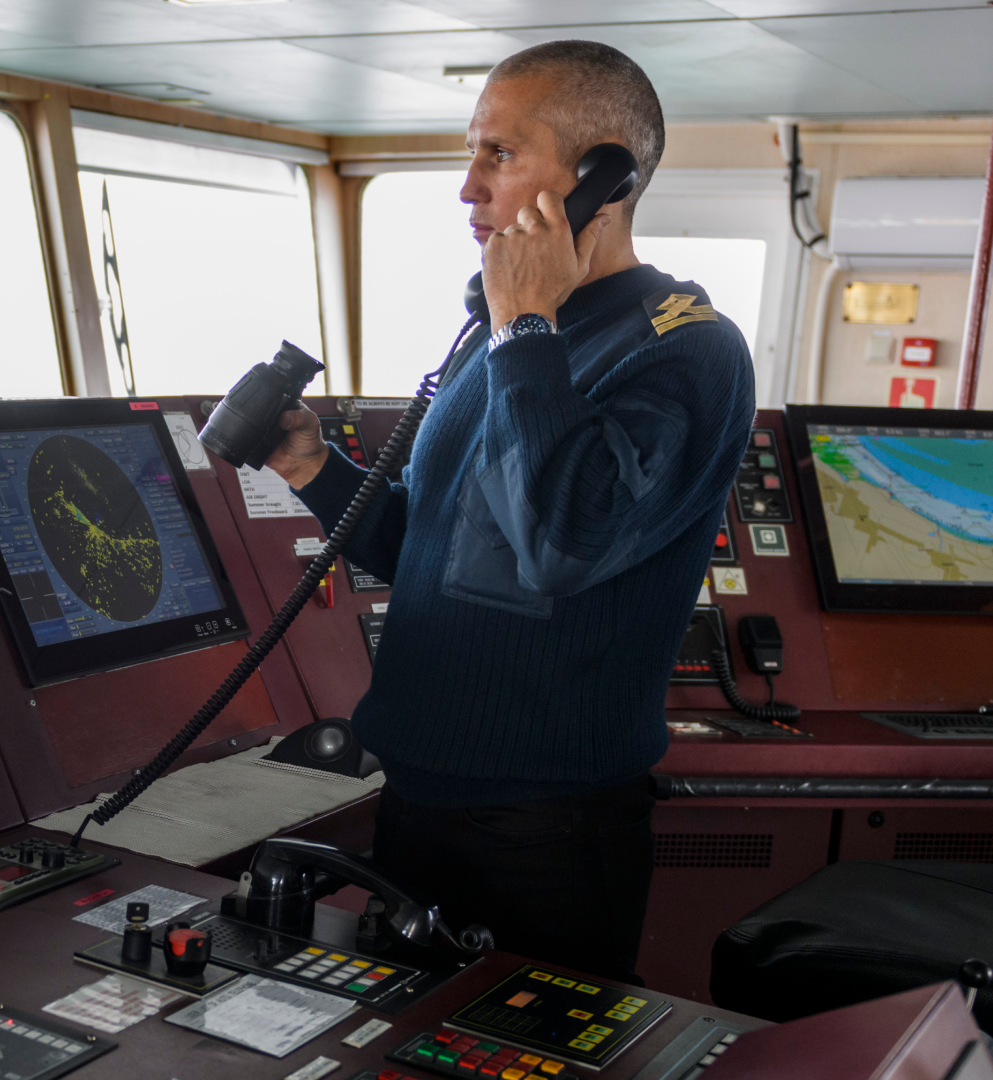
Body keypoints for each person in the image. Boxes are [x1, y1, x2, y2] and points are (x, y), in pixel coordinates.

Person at [264, 40, 756, 985]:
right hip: (414, 804)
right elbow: (436, 548)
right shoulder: (500, 338)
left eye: (498, 154)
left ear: (599, 176)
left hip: (547, 835)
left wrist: (527, 326)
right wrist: (313, 468)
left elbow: (569, 543)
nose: (467, 188)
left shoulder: (689, 352)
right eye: (471, 153)